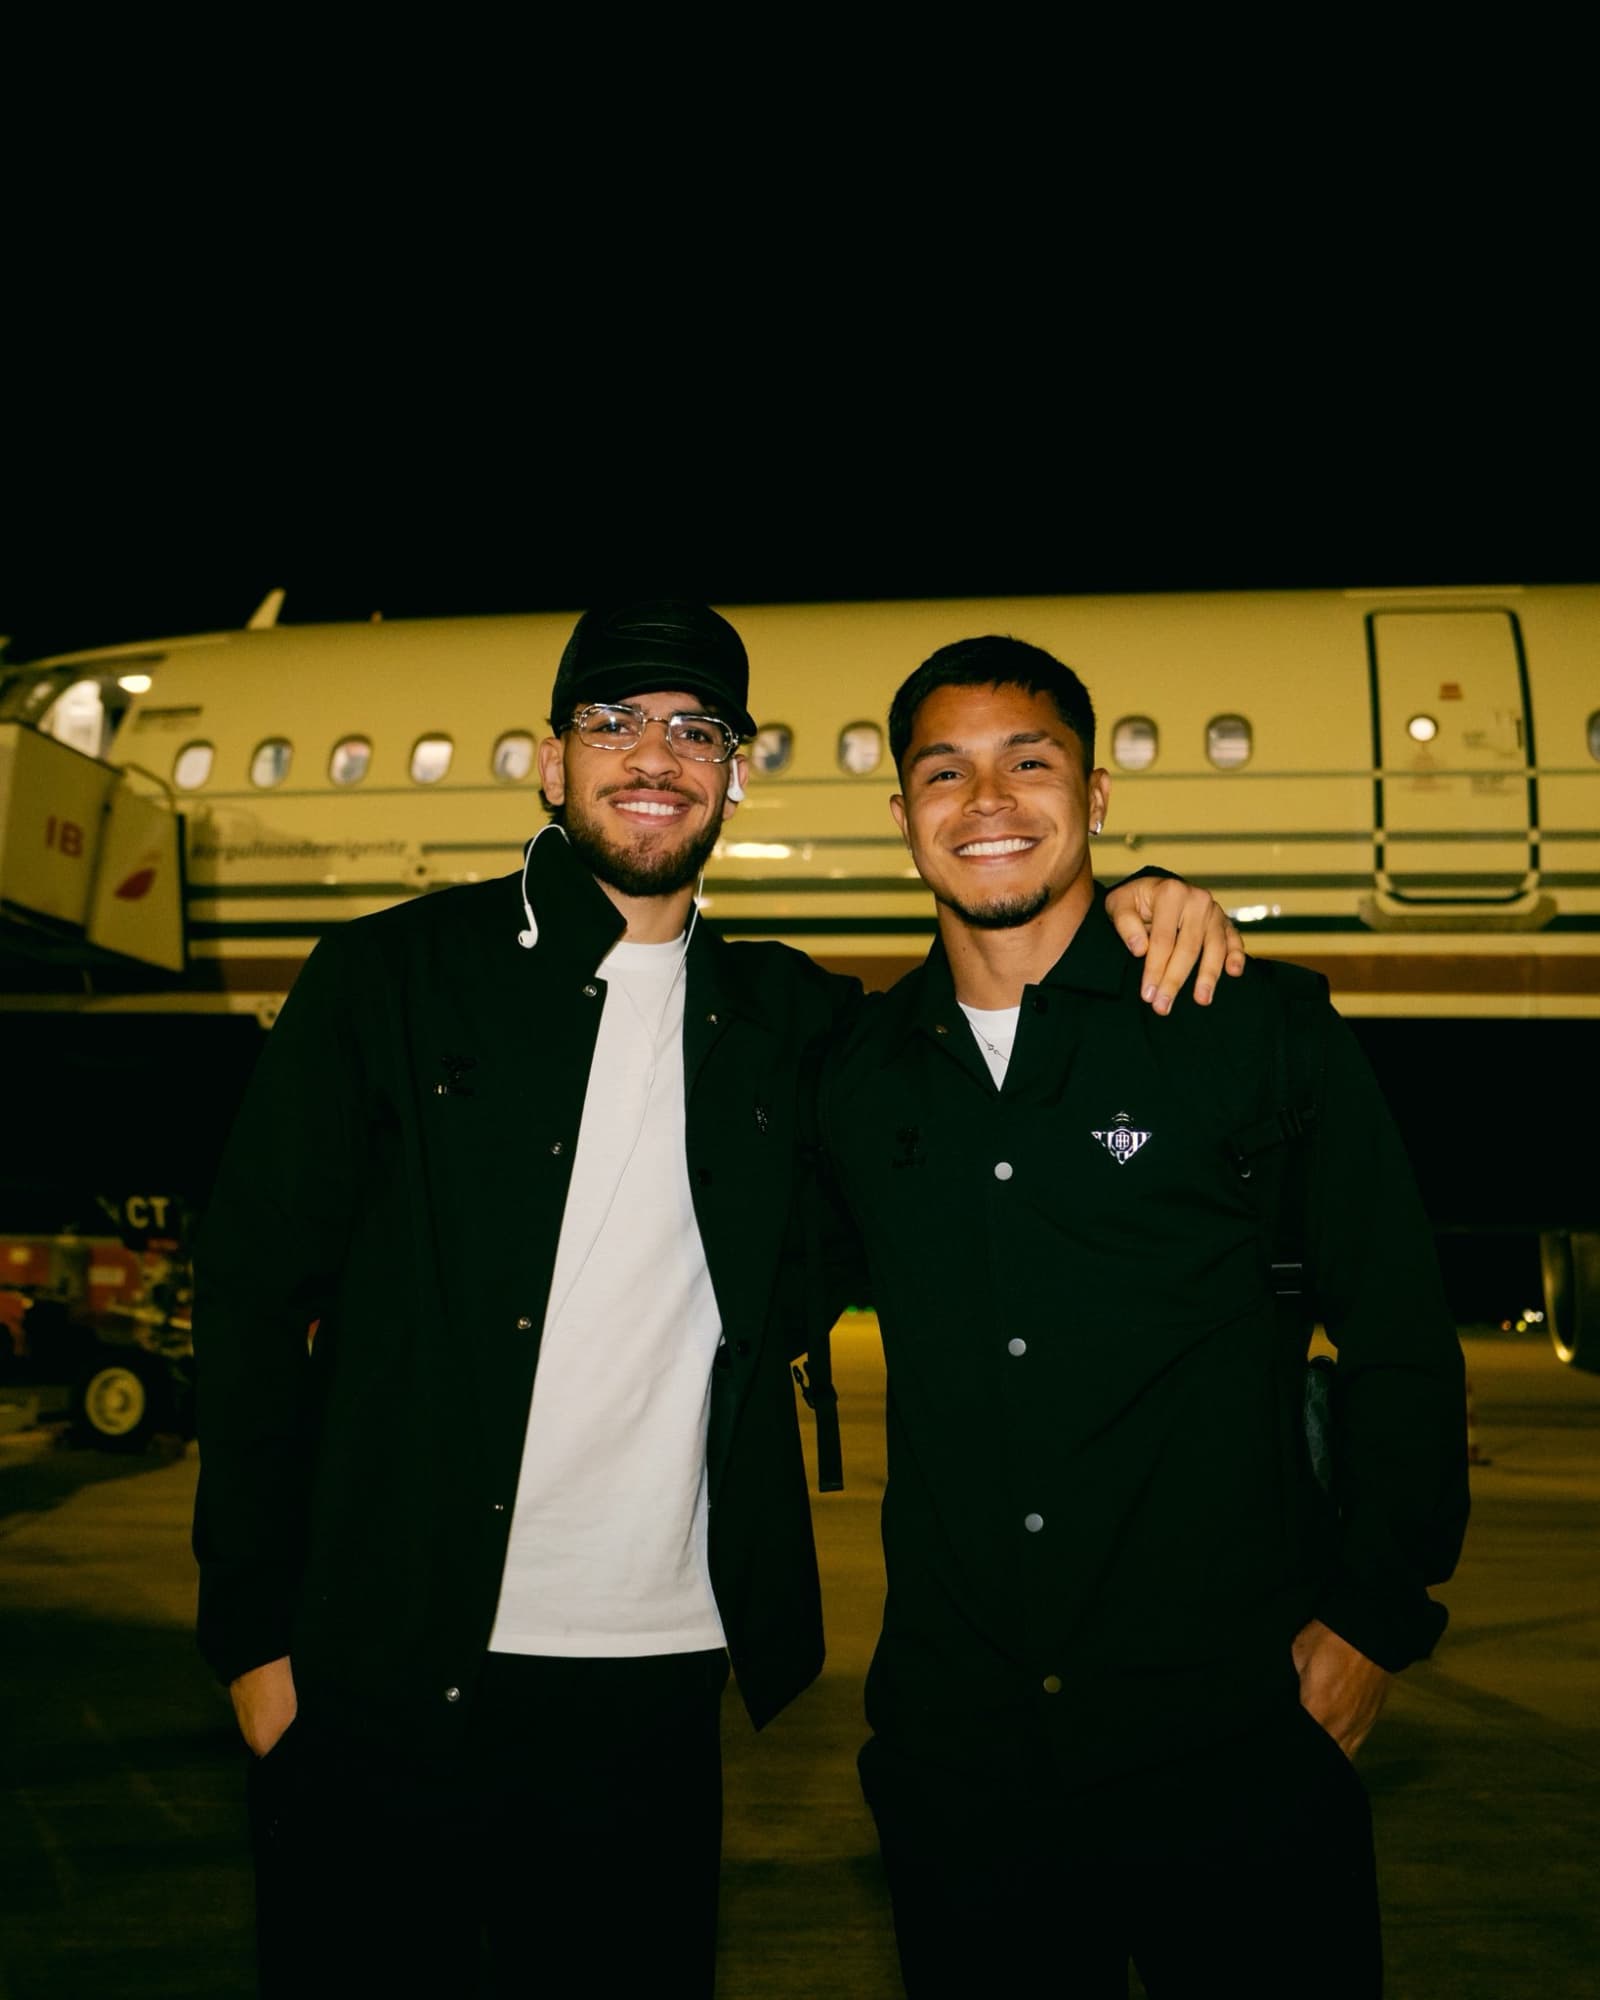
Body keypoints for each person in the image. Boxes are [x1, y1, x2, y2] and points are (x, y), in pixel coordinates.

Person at [190, 600, 1244, 1999]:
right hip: (383, 1666)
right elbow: (253, 1300)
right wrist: (252, 1635)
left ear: (735, 775)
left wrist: (1136, 897)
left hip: (657, 1679)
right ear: (549, 763)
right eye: (613, 723)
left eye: (697, 729)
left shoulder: (788, 1021)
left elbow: (989, 1001)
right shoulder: (389, 979)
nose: (654, 756)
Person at [814, 635, 1471, 1999]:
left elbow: (1401, 1329)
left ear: (1098, 798)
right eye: (945, 771)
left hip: (1234, 1737)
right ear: (901, 817)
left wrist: (1373, 1616)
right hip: (966, 1766)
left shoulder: (1253, 1028)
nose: (986, 802)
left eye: (1028, 763)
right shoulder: (860, 1077)